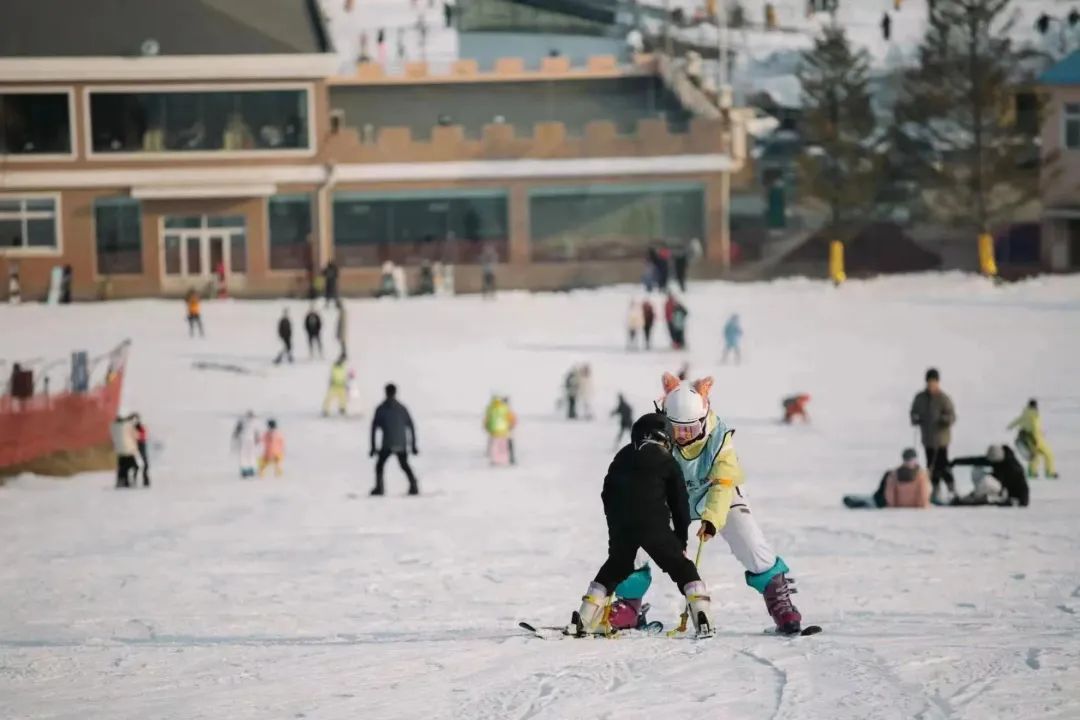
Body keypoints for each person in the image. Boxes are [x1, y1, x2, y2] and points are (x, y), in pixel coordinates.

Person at [659, 373, 804, 635]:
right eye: (675, 428)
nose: (681, 436)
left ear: (703, 420)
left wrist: (712, 520)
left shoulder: (720, 439)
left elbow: (723, 484)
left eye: (689, 429)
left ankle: (780, 602)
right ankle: (628, 605)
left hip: (718, 493)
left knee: (748, 540)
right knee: (638, 536)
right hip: (672, 496)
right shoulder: (656, 436)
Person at [565, 413, 714, 638]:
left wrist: (616, 529)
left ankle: (584, 619)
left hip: (622, 525)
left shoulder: (622, 455)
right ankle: (702, 617)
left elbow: (607, 493)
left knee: (615, 567)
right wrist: (680, 539)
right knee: (681, 567)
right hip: (654, 525)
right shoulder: (667, 460)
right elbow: (679, 504)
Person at [910, 368, 957, 500]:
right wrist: (915, 419)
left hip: (941, 440)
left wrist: (944, 420)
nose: (931, 385)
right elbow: (913, 412)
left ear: (938, 382)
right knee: (931, 466)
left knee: (943, 465)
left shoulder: (944, 398)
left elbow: (952, 416)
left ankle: (951, 488)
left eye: (934, 382)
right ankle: (935, 490)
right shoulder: (920, 398)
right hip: (928, 439)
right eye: (929, 382)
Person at [370, 383, 420, 496]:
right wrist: (413, 446)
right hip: (401, 443)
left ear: (386, 392)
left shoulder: (381, 409)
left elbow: (373, 429)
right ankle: (414, 486)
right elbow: (411, 426)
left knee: (379, 465)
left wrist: (373, 447)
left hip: (387, 443)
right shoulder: (402, 408)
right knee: (404, 465)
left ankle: (379, 487)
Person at [843, 448, 931, 509]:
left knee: (873, 499)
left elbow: (890, 493)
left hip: (894, 503)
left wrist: (891, 505)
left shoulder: (895, 473)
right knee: (872, 500)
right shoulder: (921, 475)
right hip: (913, 505)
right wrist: (923, 506)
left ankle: (861, 500)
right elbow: (923, 494)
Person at [950, 445, 1030, 507]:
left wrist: (1020, 501)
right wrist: (956, 461)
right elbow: (975, 460)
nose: (992, 464)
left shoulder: (1014, 468)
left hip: (1003, 493)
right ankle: (979, 494)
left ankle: (973, 497)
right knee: (977, 469)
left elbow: (1024, 487)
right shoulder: (997, 456)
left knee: (987, 480)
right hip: (995, 485)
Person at [1008, 399, 1058, 479]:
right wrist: (1036, 438)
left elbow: (1017, 421)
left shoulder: (1025, 414)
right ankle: (1049, 473)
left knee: (1035, 455)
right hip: (1035, 439)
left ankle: (1032, 472)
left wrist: (1009, 427)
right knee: (1049, 454)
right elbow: (1035, 427)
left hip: (1028, 438)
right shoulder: (1034, 415)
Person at [484, 395, 516, 465]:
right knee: (506, 444)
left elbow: (486, 420)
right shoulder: (505, 408)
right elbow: (512, 419)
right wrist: (511, 427)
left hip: (493, 431)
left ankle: (492, 457)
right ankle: (510, 459)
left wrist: (488, 428)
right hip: (504, 431)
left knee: (494, 444)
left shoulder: (491, 408)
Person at [111, 413, 139, 489]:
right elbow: (136, 435)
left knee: (122, 467)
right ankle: (127, 482)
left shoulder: (113, 427)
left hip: (119, 451)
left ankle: (120, 481)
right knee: (132, 466)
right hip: (128, 450)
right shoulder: (128, 426)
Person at [232, 410, 259, 478]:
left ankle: (245, 470)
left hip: (243, 439)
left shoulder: (242, 421)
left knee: (243, 455)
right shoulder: (255, 421)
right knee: (251, 455)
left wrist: (235, 436)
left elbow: (237, 430)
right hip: (251, 440)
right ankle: (251, 470)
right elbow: (256, 432)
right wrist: (257, 439)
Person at [134, 417, 151, 487]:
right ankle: (143, 480)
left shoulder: (139, 428)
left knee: (142, 464)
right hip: (139, 444)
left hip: (140, 444)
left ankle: (143, 480)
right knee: (142, 464)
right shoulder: (138, 428)